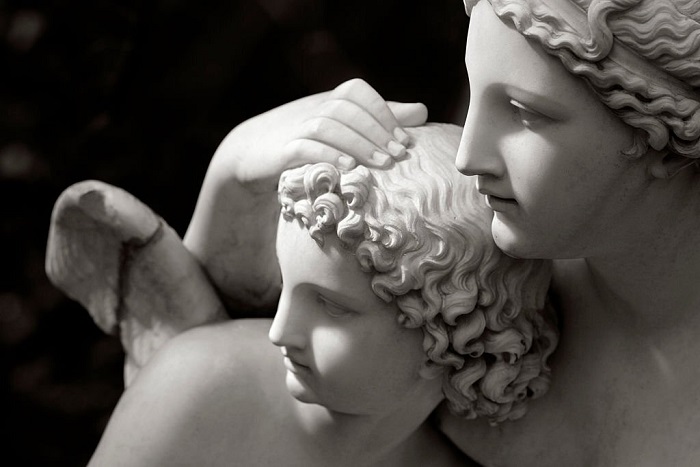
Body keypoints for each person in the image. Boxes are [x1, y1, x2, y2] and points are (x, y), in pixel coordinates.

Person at [182, 0, 700, 464]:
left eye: (523, 113)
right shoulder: (458, 253)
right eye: (475, 93)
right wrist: (235, 165)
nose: (467, 156)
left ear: (660, 127)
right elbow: (206, 374)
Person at [80, 124, 557, 466]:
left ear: (455, 333)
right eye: (285, 286)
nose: (278, 331)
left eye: (330, 306)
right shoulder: (204, 383)